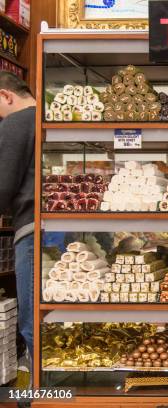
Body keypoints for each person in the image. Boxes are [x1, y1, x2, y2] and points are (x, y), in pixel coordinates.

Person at [0, 72, 36, 357]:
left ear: (5, 95)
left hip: (33, 230)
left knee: (32, 319)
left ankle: (41, 395)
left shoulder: (15, 123)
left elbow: (3, 183)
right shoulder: (48, 119)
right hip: (59, 227)